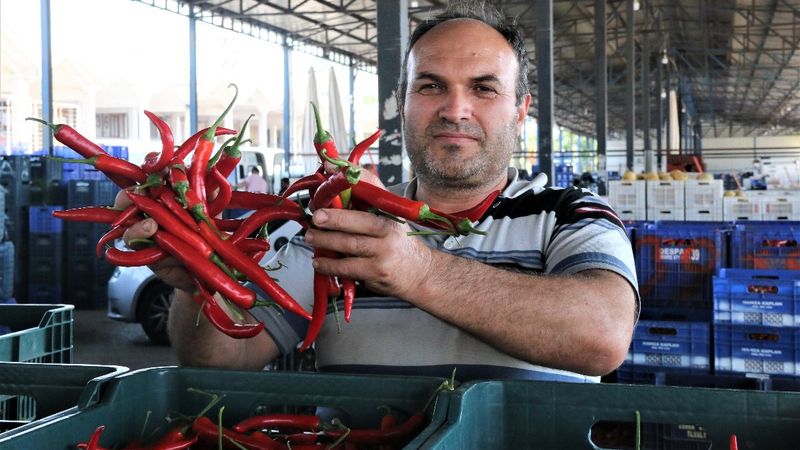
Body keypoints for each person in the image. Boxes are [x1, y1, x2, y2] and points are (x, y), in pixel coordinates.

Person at [121, 2, 638, 382]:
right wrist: (198, 284)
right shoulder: (334, 220)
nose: (455, 109)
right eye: (430, 85)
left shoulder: (572, 216)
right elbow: (216, 358)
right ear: (401, 102)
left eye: (483, 88)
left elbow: (602, 336)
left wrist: (417, 269)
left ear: (521, 110)